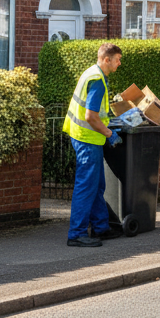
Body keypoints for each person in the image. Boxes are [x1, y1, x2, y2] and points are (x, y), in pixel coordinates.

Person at [62, 43, 126, 247]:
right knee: (86, 186)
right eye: (117, 59)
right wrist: (109, 133)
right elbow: (90, 116)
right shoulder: (97, 80)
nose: (119, 64)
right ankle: (76, 234)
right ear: (107, 59)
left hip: (83, 136)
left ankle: (101, 227)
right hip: (87, 138)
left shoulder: (91, 73)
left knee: (97, 185)